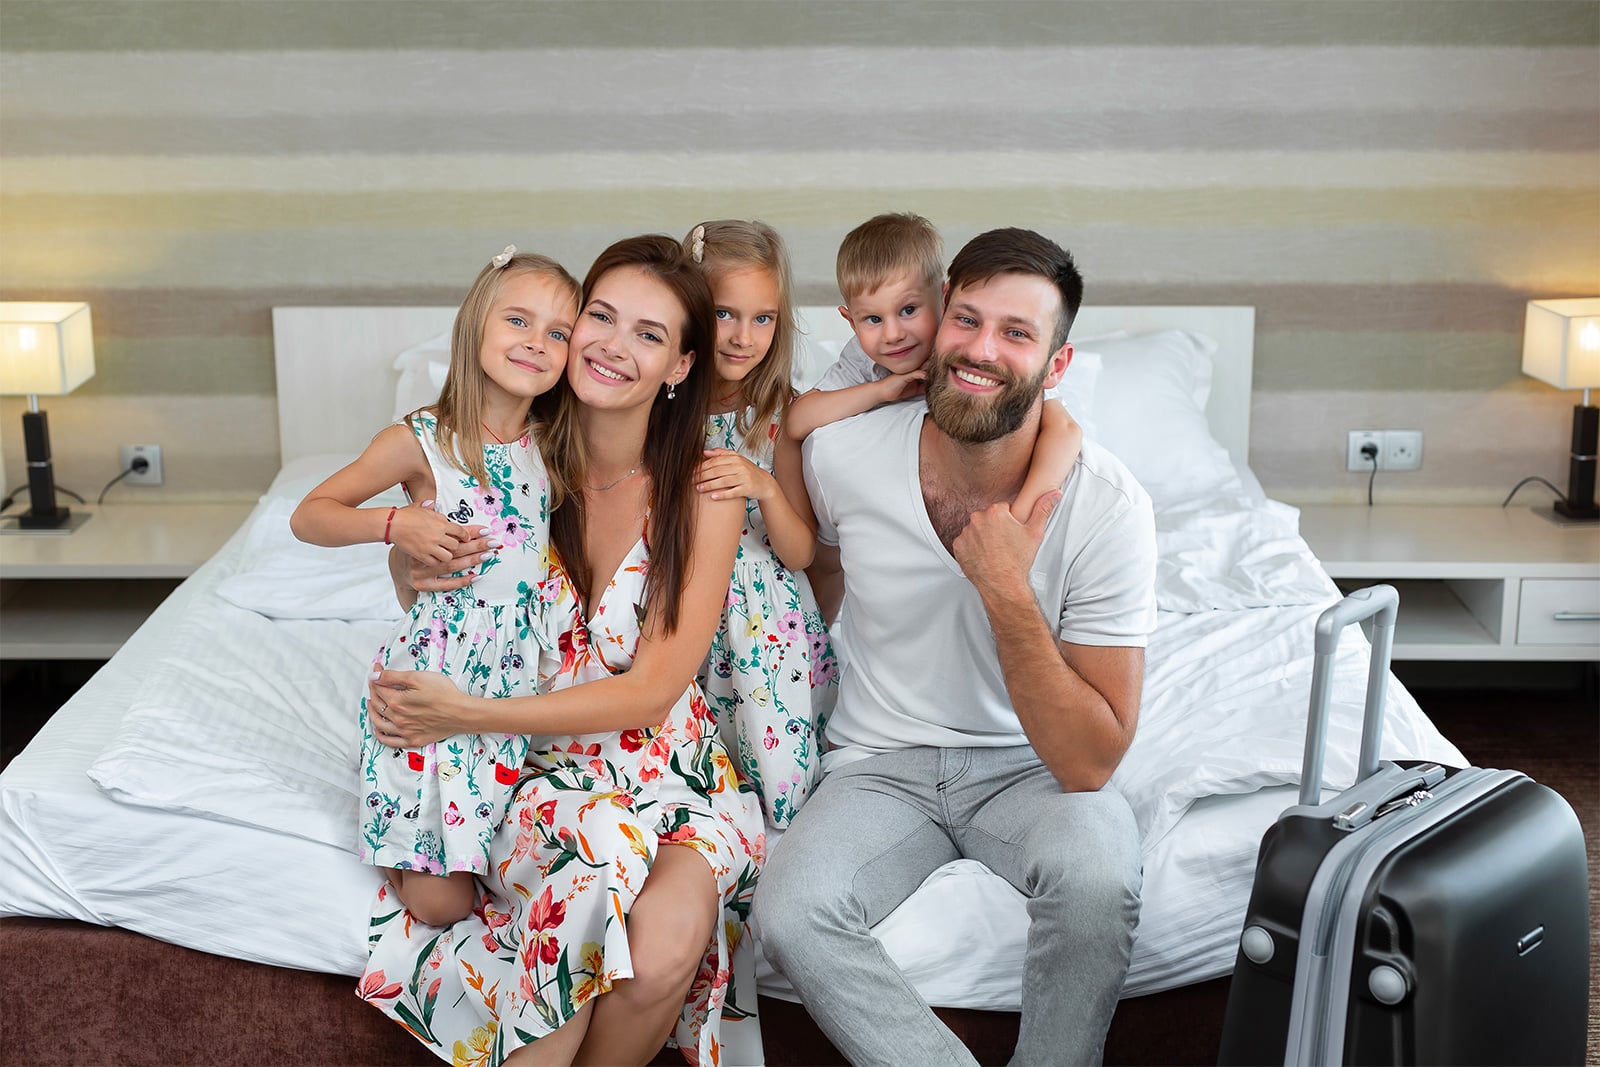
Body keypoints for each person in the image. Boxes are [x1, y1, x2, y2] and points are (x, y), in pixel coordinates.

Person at [360, 236, 766, 1067]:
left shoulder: (705, 485)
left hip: (674, 772)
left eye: (649, 334)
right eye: (602, 317)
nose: (615, 345)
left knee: (658, 954)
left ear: (681, 366)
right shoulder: (510, 457)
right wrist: (412, 556)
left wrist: (466, 709)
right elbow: (428, 595)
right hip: (533, 765)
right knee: (593, 890)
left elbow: (653, 692)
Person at [756, 228, 1158, 1066]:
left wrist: (1009, 589)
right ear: (937, 324)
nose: (981, 349)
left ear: (1057, 365)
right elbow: (810, 571)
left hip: (1029, 767)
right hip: (877, 763)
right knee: (789, 911)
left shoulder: (1108, 506)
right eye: (966, 320)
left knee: (1098, 874)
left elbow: (1090, 763)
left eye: (1016, 332)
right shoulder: (845, 452)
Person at [291, 247, 579, 927]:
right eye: (518, 320)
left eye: (558, 333)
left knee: (530, 869)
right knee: (442, 904)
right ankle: (393, 825)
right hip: (435, 677)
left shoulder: (556, 442)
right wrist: (398, 525)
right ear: (476, 323)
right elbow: (310, 515)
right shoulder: (422, 440)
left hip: (516, 684)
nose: (536, 343)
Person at [684, 219, 837, 827]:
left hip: (767, 628)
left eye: (764, 318)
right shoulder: (657, 411)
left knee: (774, 785)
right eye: (724, 314)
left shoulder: (783, 416)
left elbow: (801, 551)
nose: (744, 337)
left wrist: (764, 485)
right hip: (686, 615)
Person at [784, 212, 1082, 525]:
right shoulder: (862, 357)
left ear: (944, 298)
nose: (893, 334)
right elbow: (797, 421)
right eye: (873, 319)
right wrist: (879, 391)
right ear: (850, 320)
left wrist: (1018, 520)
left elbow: (1065, 432)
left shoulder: (964, 350)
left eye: (908, 310)